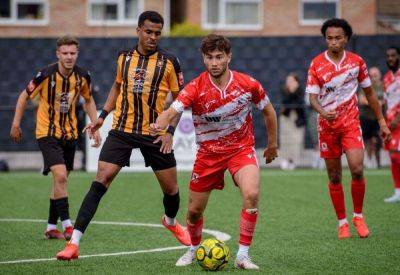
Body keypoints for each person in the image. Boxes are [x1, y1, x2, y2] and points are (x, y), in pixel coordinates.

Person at [56, 11, 190, 260]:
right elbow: (117, 87)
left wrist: (170, 131)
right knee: (100, 180)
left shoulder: (170, 61)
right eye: (148, 32)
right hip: (122, 131)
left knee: (171, 191)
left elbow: (181, 100)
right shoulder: (123, 57)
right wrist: (102, 117)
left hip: (155, 132)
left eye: (157, 33)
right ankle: (73, 244)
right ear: (138, 30)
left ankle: (170, 221)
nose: (153, 37)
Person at [150, 34, 278, 270]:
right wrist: (161, 124)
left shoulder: (248, 84)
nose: (214, 62)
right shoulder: (195, 87)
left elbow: (269, 111)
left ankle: (243, 256)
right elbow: (173, 110)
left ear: (229, 57)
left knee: (251, 194)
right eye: (209, 57)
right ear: (203, 58)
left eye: (219, 57)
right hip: (208, 154)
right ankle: (193, 249)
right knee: (194, 211)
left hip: (241, 150)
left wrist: (272, 145)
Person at [306, 18, 391, 239]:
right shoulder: (316, 63)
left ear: (346, 39)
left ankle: (358, 217)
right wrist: (323, 112)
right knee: (335, 176)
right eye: (329, 38)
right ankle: (342, 222)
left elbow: (370, 94)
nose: (333, 42)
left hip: (351, 124)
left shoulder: (357, 62)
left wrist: (382, 121)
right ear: (326, 39)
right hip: (327, 127)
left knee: (357, 169)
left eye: (338, 38)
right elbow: (312, 98)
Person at [10, 35, 101, 240]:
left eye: (72, 53)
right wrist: (16, 123)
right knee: (60, 176)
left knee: (61, 180)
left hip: (69, 132)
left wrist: (95, 124)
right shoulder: (45, 75)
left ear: (77, 54)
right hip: (47, 132)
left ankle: (51, 227)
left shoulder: (83, 76)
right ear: (58, 54)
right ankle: (68, 225)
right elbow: (24, 95)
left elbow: (88, 100)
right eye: (65, 53)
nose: (69, 57)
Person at [383, 46, 400, 203]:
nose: (390, 58)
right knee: (393, 157)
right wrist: (384, 123)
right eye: (388, 56)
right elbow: (387, 102)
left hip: (399, 122)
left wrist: (398, 118)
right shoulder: (387, 78)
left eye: (393, 55)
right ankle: (397, 192)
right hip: (390, 123)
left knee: (396, 155)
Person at [359, 67, 384, 168]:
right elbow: (362, 100)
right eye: (371, 75)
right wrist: (376, 103)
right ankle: (369, 160)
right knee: (367, 140)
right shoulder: (365, 86)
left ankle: (377, 161)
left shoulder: (384, 86)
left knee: (377, 140)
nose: (373, 78)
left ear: (379, 76)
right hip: (366, 117)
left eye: (375, 75)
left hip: (378, 118)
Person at [279, 73, 305, 170]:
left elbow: (299, 103)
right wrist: (291, 92)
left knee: (296, 139)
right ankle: (285, 159)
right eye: (288, 81)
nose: (289, 83)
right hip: (286, 117)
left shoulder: (300, 91)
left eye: (291, 81)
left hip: (297, 118)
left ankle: (293, 160)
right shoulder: (284, 90)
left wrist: (294, 92)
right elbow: (285, 102)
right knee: (285, 139)